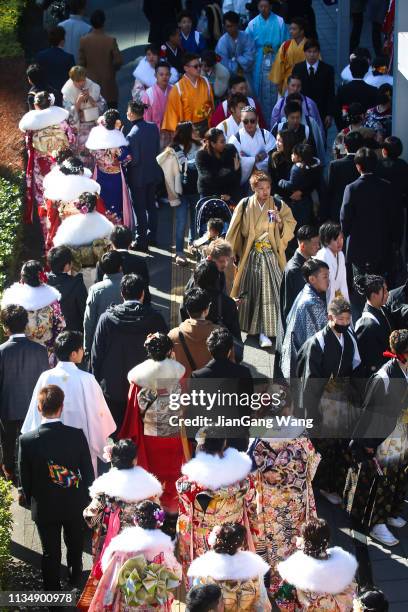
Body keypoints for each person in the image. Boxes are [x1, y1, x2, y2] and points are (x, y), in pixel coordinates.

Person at [18, 384, 94, 589]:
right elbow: (88, 473)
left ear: (39, 408)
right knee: (75, 546)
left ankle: (53, 598)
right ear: (61, 407)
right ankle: (76, 582)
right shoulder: (76, 435)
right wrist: (87, 499)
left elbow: (25, 480)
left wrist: (34, 497)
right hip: (74, 502)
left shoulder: (27, 440)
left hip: (44, 505)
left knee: (50, 552)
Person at [248, 400, 320, 594]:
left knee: (273, 541)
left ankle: (274, 585)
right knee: (295, 538)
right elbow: (312, 465)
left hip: (270, 502)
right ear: (288, 410)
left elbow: (251, 469)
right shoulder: (300, 434)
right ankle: (294, 582)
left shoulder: (259, 435)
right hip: (295, 498)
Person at [346, 329, 408, 547]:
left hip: (400, 434)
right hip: (382, 438)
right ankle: (376, 524)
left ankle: (391, 512)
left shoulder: (404, 370)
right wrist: (368, 443)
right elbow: (369, 413)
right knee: (380, 482)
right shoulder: (384, 378)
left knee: (396, 479)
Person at [22, 331, 115, 474]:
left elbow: (36, 412)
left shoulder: (46, 376)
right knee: (84, 481)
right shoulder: (86, 379)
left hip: (49, 442)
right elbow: (98, 414)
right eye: (81, 349)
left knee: (52, 478)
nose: (83, 351)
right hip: (81, 443)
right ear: (73, 354)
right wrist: (100, 440)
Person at [297, 297, 361, 503]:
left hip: (340, 402)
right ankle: (320, 486)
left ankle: (332, 483)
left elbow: (354, 366)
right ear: (329, 317)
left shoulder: (349, 338)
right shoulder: (318, 342)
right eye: (340, 319)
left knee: (338, 445)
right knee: (322, 446)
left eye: (347, 319)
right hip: (321, 404)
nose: (344, 323)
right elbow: (310, 382)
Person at [226, 171, 295, 347]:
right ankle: (249, 326)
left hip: (271, 254)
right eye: (261, 188)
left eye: (268, 187)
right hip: (251, 254)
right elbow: (234, 229)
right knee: (251, 291)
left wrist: (280, 222)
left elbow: (290, 224)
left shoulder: (277, 204)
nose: (265, 191)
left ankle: (268, 330)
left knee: (271, 291)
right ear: (253, 188)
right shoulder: (244, 204)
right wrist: (231, 251)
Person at [91, 274, 168, 432]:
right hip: (147, 389)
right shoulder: (155, 319)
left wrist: (94, 388)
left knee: (116, 436)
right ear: (142, 294)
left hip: (113, 390)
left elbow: (96, 356)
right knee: (145, 435)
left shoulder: (106, 319)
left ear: (121, 294)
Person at [118, 334, 186, 514]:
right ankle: (172, 512)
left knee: (152, 471)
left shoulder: (139, 377)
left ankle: (152, 509)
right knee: (173, 471)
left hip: (149, 435)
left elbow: (134, 410)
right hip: (173, 433)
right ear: (169, 351)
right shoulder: (179, 372)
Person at [176, 431, 254, 580]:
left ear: (202, 446)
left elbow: (185, 518)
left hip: (204, 539)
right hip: (233, 533)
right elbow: (250, 501)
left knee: (208, 578)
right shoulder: (240, 477)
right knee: (233, 574)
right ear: (224, 444)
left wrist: (185, 549)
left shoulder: (190, 482)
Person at [88, 499, 181, 611]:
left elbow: (111, 578)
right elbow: (175, 577)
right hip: (154, 603)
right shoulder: (163, 549)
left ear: (135, 521)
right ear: (159, 523)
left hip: (128, 601)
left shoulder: (123, 547)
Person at [83, 439, 162, 569]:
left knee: (110, 579)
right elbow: (157, 517)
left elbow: (90, 516)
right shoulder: (148, 485)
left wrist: (105, 522)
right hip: (139, 544)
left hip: (112, 544)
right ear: (135, 460)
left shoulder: (105, 485)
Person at [0, 306, 49, 482]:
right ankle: (27, 476)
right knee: (30, 443)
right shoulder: (40, 350)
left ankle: (9, 470)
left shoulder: (2, 351)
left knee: (8, 442)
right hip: (33, 406)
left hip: (8, 406)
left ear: (5, 327)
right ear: (26, 324)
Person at [340, 147, 396, 288]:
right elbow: (395, 217)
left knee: (361, 285)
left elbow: (345, 217)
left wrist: (344, 235)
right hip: (382, 243)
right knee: (381, 283)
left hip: (359, 245)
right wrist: (395, 240)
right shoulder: (387, 186)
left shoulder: (351, 188)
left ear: (358, 167)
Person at [190, 328, 253, 450]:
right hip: (236, 435)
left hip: (209, 437)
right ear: (230, 351)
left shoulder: (198, 375)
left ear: (210, 349)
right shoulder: (243, 373)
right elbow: (247, 405)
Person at [277, 518, 357, 610]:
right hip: (336, 604)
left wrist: (300, 593)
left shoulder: (299, 566)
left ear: (306, 543)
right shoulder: (339, 561)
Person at [187, 523, 271, 610]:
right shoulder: (252, 567)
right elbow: (261, 602)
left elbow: (197, 600)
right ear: (242, 543)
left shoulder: (205, 566)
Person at [19, 90, 71, 226]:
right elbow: (71, 138)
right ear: (50, 103)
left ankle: (48, 234)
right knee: (62, 196)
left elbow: (28, 145)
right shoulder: (61, 121)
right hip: (60, 161)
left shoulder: (32, 125)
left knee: (44, 198)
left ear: (36, 105)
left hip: (40, 165)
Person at [1, 260, 65, 365]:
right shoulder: (51, 297)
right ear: (41, 276)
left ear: (22, 277)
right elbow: (60, 325)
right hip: (46, 351)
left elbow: (7, 325)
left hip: (20, 351)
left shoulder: (14, 299)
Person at [157, 121, 201, 265]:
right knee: (181, 221)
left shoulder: (200, 145)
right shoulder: (173, 149)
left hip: (196, 189)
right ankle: (179, 251)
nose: (197, 132)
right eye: (194, 130)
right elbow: (164, 165)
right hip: (181, 191)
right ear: (187, 133)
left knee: (196, 220)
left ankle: (194, 244)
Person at [280, 258, 330, 378]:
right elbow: (317, 338)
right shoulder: (311, 303)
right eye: (325, 277)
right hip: (304, 362)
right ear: (312, 279)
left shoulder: (307, 291)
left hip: (295, 356)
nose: (329, 280)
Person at [85, 109, 133, 226]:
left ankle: (102, 230)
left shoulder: (97, 135)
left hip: (100, 175)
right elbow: (127, 158)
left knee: (102, 202)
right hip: (115, 178)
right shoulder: (118, 139)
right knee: (116, 204)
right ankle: (117, 230)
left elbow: (92, 152)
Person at [126, 100, 162, 252]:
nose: (127, 113)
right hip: (152, 172)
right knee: (151, 205)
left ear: (132, 114)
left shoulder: (131, 135)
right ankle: (152, 236)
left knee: (139, 208)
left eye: (128, 111)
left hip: (138, 177)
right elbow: (156, 150)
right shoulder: (153, 127)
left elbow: (134, 161)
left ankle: (141, 240)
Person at [245, 0, 288, 125]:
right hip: (259, 61)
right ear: (258, 7)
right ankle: (263, 123)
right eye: (261, 6)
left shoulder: (280, 21)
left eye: (266, 6)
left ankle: (276, 123)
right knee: (261, 92)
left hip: (276, 58)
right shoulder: (252, 24)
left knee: (276, 92)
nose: (263, 8)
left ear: (271, 6)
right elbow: (248, 45)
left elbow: (285, 43)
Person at [184, 259, 242, 343]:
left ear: (195, 278)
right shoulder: (228, 304)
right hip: (218, 350)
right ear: (217, 278)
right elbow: (236, 337)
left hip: (192, 345)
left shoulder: (188, 299)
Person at [169, 288, 220, 378]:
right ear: (206, 310)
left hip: (182, 387)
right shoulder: (219, 334)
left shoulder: (173, 335)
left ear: (187, 309)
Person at [162, 52, 214, 137]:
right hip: (188, 130)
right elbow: (172, 117)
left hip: (206, 126)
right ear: (186, 68)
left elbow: (211, 107)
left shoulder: (206, 82)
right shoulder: (177, 89)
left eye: (200, 66)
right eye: (195, 66)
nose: (199, 69)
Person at [62, 64, 106, 165]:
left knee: (96, 155)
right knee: (83, 157)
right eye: (78, 81)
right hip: (80, 128)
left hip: (94, 125)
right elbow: (68, 115)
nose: (81, 83)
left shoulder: (93, 87)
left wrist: (91, 98)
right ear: (72, 80)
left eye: (83, 80)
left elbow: (103, 106)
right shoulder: (67, 92)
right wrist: (78, 102)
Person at [78, 9, 123, 108]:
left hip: (91, 83)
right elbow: (118, 61)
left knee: (92, 113)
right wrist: (113, 69)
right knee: (111, 111)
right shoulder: (111, 41)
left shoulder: (84, 41)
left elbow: (81, 63)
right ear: (104, 22)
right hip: (108, 82)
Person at [279, 224, 320, 327]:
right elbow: (295, 306)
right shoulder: (295, 270)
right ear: (302, 245)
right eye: (315, 244)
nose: (318, 247)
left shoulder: (307, 262)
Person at [94, 226, 150, 301]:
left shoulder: (102, 263)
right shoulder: (140, 263)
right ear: (130, 243)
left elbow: (98, 288)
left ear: (112, 243)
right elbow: (145, 291)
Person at [83, 250, 123, 356]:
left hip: (101, 342)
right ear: (120, 267)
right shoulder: (129, 285)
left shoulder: (95, 290)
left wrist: (87, 347)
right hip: (125, 341)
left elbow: (89, 321)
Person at [354, 275, 394, 378]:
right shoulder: (366, 325)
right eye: (384, 291)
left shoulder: (383, 309)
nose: (388, 294)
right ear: (374, 295)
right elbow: (370, 362)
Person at [292, 39, 335, 132]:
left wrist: (329, 114)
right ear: (304, 52)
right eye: (309, 52)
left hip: (321, 112)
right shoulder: (298, 68)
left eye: (314, 51)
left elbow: (330, 92)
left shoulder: (328, 70)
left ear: (318, 53)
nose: (312, 55)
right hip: (302, 112)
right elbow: (294, 90)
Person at [278, 143, 322, 229]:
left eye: (294, 154)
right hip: (311, 196)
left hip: (299, 201)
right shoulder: (316, 164)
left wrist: (282, 182)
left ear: (300, 158)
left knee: (300, 222)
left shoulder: (297, 169)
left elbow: (292, 185)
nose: (292, 155)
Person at [229, 106, 275, 185]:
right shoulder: (235, 139)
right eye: (245, 121)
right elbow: (237, 161)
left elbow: (273, 154)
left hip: (267, 178)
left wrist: (249, 160)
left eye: (252, 121)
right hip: (245, 182)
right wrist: (257, 158)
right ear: (241, 120)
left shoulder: (265, 134)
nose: (249, 124)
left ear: (257, 119)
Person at [323, 131, 362, 223]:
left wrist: (325, 213)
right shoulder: (366, 162)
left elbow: (329, 189)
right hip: (360, 209)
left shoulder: (335, 165)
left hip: (339, 209)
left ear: (346, 146)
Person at [271, 97, 325, 164]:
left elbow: (313, 153)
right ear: (287, 117)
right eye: (292, 118)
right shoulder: (278, 128)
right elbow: (271, 151)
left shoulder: (306, 131)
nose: (295, 121)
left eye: (298, 117)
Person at [47, 245, 87, 332]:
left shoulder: (44, 283)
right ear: (66, 266)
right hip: (74, 335)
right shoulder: (76, 284)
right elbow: (85, 312)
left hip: (51, 334)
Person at [196, 128, 241, 202]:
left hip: (229, 194)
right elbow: (210, 180)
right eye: (222, 142)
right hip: (209, 195)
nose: (224, 143)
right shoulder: (201, 155)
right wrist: (233, 171)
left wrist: (230, 196)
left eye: (224, 140)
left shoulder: (230, 150)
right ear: (213, 144)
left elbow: (238, 175)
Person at [335, 57, 378, 130]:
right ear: (366, 71)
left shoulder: (342, 89)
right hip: (367, 130)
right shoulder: (373, 90)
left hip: (347, 129)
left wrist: (342, 129)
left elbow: (337, 112)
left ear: (351, 70)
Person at [36, 26, 75, 106]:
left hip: (44, 96)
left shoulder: (40, 56)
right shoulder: (68, 57)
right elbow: (73, 79)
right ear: (62, 40)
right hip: (62, 95)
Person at [269, 17, 307, 96]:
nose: (291, 31)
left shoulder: (310, 46)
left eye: (294, 29)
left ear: (302, 31)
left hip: (305, 80)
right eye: (290, 29)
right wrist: (279, 83)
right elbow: (279, 65)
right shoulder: (286, 45)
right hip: (288, 81)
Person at [141, 61, 173, 149]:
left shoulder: (175, 91)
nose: (164, 77)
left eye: (167, 74)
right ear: (155, 75)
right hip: (156, 135)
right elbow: (146, 120)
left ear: (170, 75)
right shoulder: (148, 94)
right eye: (161, 74)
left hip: (174, 134)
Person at [215, 11, 255, 81]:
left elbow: (250, 55)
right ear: (224, 26)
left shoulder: (246, 37)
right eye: (228, 26)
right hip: (228, 77)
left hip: (246, 74)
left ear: (238, 25)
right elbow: (222, 62)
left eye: (233, 25)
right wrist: (237, 67)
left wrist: (237, 59)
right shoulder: (222, 42)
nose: (231, 29)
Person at [316, 222, 349, 304]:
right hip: (322, 298)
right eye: (335, 240)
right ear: (326, 241)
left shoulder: (340, 255)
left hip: (336, 297)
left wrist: (346, 305)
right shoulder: (322, 256)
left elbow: (343, 282)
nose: (340, 242)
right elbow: (329, 285)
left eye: (341, 238)